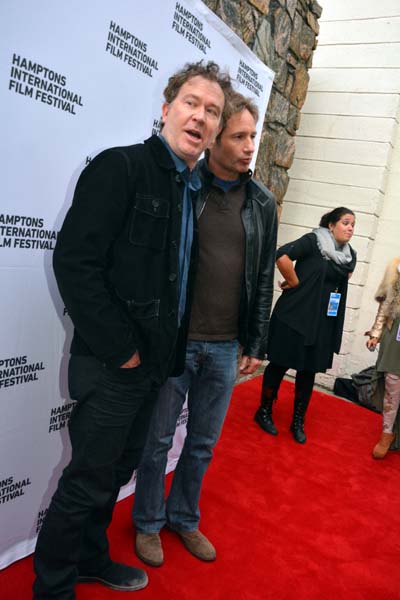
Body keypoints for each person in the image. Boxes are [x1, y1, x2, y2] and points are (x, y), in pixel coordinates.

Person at [32, 61, 231, 599]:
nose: (201, 116)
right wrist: (123, 353)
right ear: (166, 110)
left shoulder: (192, 192)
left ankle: (91, 558)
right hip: (113, 365)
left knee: (115, 473)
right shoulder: (121, 168)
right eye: (192, 102)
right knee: (85, 483)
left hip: (152, 371)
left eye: (212, 111)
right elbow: (75, 263)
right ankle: (51, 587)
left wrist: (160, 362)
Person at [133, 92, 278, 567]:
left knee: (201, 443)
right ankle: (148, 522)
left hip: (224, 347)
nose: (249, 146)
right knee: (156, 442)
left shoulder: (262, 203)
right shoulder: (184, 188)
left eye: (252, 136)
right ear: (214, 140)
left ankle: (184, 518)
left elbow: (260, 278)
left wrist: (255, 342)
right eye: (238, 136)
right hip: (177, 342)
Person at [254, 207, 357, 444]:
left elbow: (344, 278)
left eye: (353, 224)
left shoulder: (349, 255)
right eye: (345, 222)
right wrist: (293, 280)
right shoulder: (314, 241)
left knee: (308, 371)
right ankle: (264, 411)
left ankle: (297, 421)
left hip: (321, 323)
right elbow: (282, 255)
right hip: (293, 317)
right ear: (331, 225)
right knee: (279, 364)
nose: (350, 228)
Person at [366, 257, 400, 459]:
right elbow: (384, 307)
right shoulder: (395, 267)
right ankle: (387, 433)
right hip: (394, 334)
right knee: (392, 385)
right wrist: (376, 333)